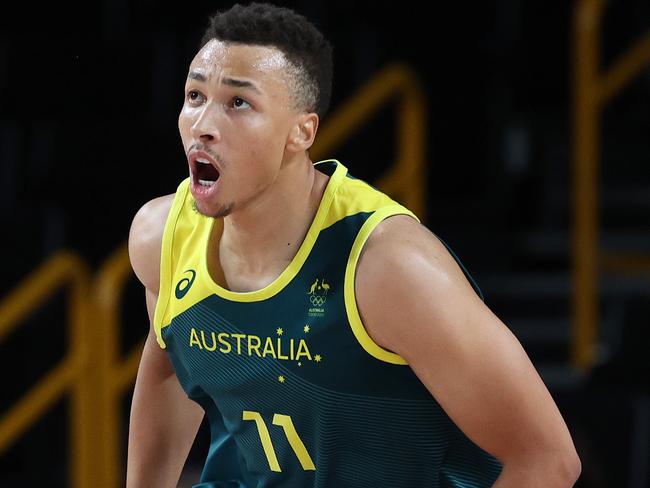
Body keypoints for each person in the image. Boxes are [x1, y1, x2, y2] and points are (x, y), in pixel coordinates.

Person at [126, 2, 581, 487]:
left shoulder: (389, 267)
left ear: (302, 132)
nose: (202, 124)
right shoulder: (162, 237)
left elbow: (548, 460)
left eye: (239, 103)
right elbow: (169, 366)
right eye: (195, 95)